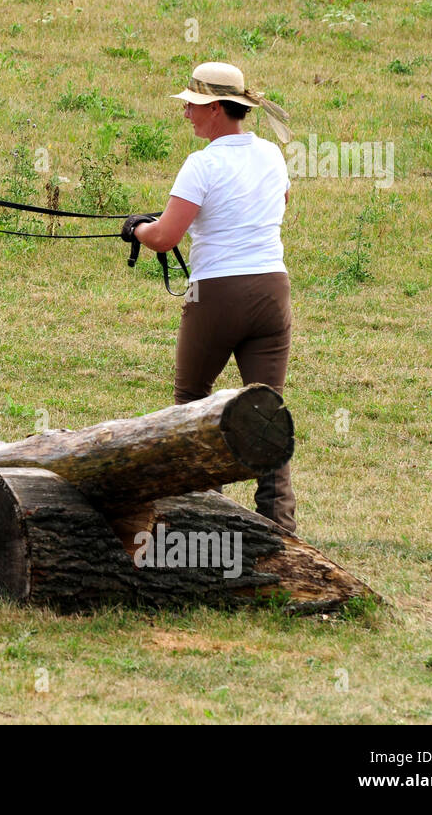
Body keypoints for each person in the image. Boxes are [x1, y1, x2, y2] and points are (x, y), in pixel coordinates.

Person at [120, 62, 297, 531]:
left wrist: (137, 228)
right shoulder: (271, 156)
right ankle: (279, 527)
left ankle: (204, 520)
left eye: (193, 106)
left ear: (216, 109)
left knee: (192, 402)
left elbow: (164, 236)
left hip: (219, 294)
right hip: (272, 290)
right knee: (267, 410)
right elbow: (277, 205)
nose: (186, 115)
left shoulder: (202, 164)